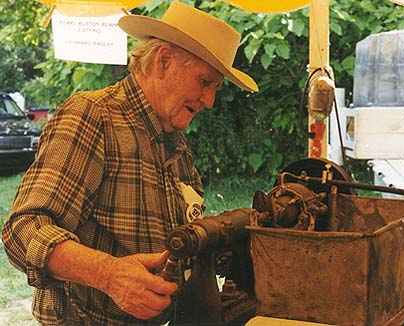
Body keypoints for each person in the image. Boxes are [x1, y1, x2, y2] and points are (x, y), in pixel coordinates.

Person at [1, 1, 258, 325]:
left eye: (215, 88)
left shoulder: (176, 146)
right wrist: (109, 275)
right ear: (164, 61)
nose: (209, 101)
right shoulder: (94, 116)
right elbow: (22, 230)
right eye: (205, 82)